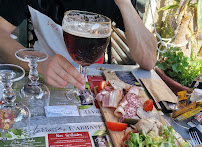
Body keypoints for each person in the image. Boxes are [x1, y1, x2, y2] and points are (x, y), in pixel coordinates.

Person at [0, 0, 157, 90]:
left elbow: (148, 59)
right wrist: (37, 63)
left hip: (94, 81)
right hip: (42, 78)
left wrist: (125, 4)